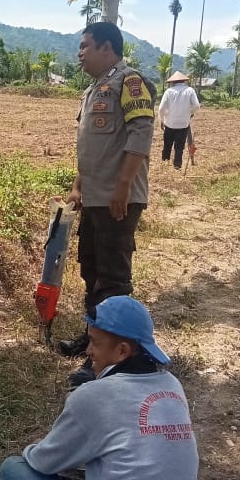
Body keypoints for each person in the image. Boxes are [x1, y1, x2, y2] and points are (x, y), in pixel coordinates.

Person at [0, 296, 201, 480]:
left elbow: (43, 461)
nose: (88, 351)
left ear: (122, 351)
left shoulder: (94, 396)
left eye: (95, 343)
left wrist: (39, 450)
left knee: (13, 469)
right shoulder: (172, 386)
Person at [58, 22, 156, 386]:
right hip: (95, 198)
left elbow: (141, 134)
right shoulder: (93, 89)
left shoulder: (130, 83)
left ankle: (108, 359)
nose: (80, 52)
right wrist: (77, 186)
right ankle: (93, 339)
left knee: (112, 279)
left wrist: (123, 186)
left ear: (107, 47)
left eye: (85, 45)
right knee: (91, 270)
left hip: (118, 199)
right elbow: (91, 147)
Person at [158, 70, 200, 170]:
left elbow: (161, 108)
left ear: (172, 82)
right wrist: (189, 113)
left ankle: (165, 164)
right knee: (179, 147)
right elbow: (196, 105)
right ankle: (177, 166)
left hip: (170, 123)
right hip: (183, 124)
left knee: (167, 145)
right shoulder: (190, 90)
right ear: (184, 81)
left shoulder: (169, 91)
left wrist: (162, 120)